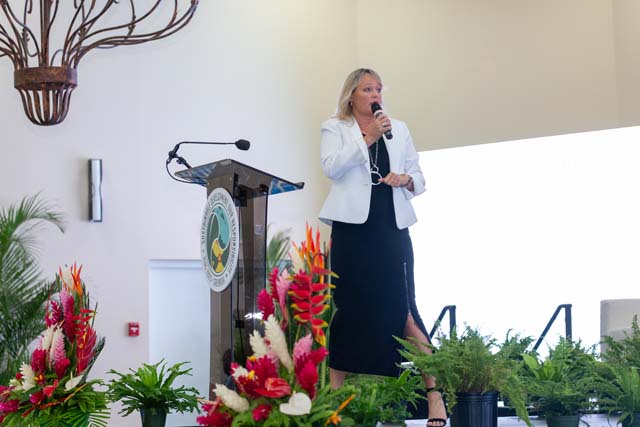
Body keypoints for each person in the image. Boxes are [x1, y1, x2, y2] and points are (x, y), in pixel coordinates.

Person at [319, 68, 446, 427]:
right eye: (367, 89)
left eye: (378, 89)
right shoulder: (335, 128)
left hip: (391, 228)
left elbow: (419, 177)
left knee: (405, 310)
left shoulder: (398, 128)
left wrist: (406, 179)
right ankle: (332, 403)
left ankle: (435, 397)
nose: (375, 95)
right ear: (351, 95)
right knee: (349, 309)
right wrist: (368, 137)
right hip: (352, 231)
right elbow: (331, 168)